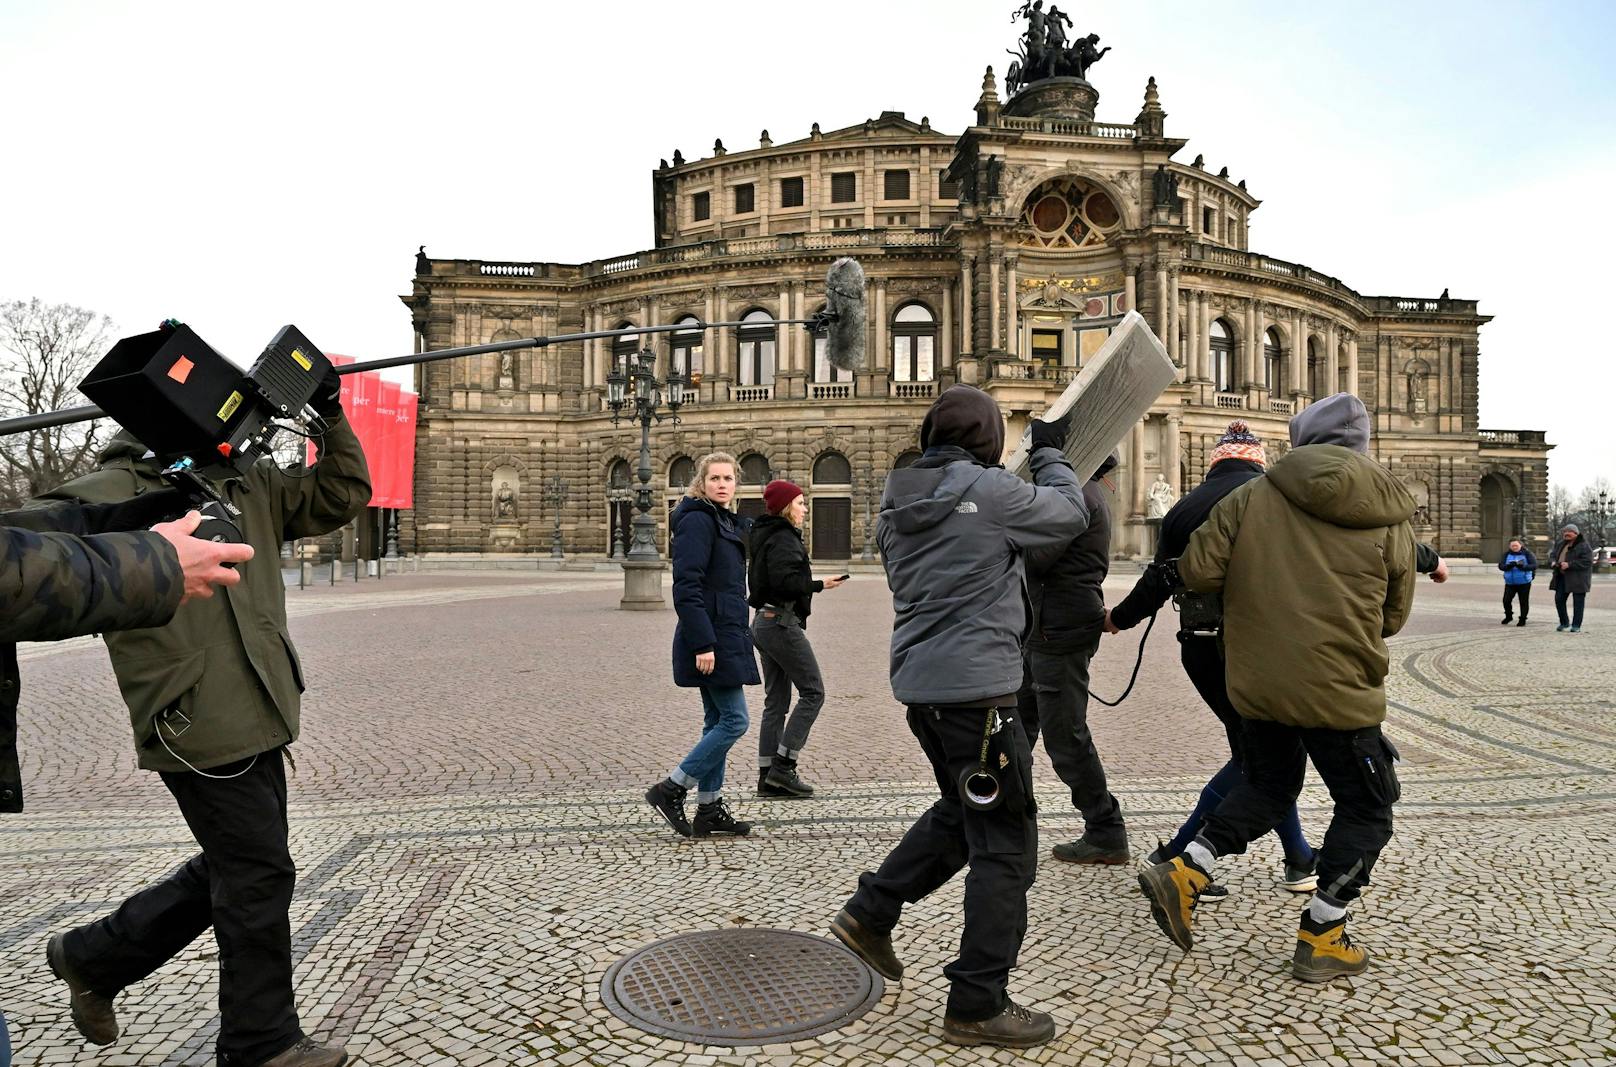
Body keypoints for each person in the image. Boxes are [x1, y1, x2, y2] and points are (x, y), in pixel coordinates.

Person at [38, 365, 368, 1067]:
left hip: (260, 702)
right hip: (192, 716)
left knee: (243, 862)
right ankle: (260, 1043)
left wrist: (330, 416)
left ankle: (94, 956)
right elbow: (34, 558)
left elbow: (342, 493)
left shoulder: (244, 483)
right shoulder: (115, 492)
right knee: (257, 871)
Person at [828, 385, 1086, 1048]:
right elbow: (1067, 516)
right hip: (981, 694)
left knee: (959, 808)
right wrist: (1054, 458)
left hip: (925, 690)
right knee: (1005, 843)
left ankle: (871, 911)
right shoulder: (994, 494)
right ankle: (977, 999)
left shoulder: (897, 498)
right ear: (989, 438)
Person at [1137, 393, 1416, 983]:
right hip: (1340, 683)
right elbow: (1393, 616)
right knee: (1368, 805)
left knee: (1268, 781)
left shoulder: (1250, 495)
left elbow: (1197, 571)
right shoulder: (1392, 511)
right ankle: (1323, 933)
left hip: (1260, 679)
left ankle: (1187, 870)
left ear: (1300, 438)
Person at [1107, 421, 1317, 898]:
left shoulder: (1184, 507)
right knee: (1261, 759)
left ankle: (1299, 857)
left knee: (1260, 756)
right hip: (1250, 646)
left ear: (1215, 463)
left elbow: (1160, 577)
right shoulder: (1269, 498)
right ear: (1258, 462)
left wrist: (1119, 617)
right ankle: (1179, 857)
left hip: (1198, 646)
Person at [1019, 451, 1128, 864]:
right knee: (1019, 724)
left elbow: (1036, 556)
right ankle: (1009, 812)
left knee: (1065, 735)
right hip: (1047, 626)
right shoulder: (1084, 491)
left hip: (1057, 629)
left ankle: (1106, 830)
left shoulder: (1077, 495)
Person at [646, 452, 759, 838]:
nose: (723, 484)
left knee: (716, 721)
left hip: (725, 630)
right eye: (715, 478)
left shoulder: (721, 518)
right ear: (702, 482)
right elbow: (687, 586)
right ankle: (672, 788)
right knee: (735, 721)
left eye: (729, 478)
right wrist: (703, 643)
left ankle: (709, 808)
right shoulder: (698, 521)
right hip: (712, 636)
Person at [747, 478, 846, 799]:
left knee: (775, 703)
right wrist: (817, 584)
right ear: (788, 507)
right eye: (801, 503)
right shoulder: (784, 538)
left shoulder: (764, 535)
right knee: (813, 692)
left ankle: (767, 777)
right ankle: (783, 767)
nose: (805, 509)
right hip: (780, 623)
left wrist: (815, 583)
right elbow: (785, 581)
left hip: (763, 621)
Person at [1549, 524, 1593, 632]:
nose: (1566, 533)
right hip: (1561, 577)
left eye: (1569, 531)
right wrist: (1553, 562)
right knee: (1559, 599)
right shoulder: (1560, 544)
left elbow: (1587, 562)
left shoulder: (1584, 545)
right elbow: (1553, 555)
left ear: (1576, 533)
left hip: (1578, 579)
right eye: (1565, 531)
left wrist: (1570, 564)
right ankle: (1564, 622)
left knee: (1578, 603)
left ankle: (1576, 625)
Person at [1498, 537, 1536, 626]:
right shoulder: (1506, 554)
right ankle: (1508, 616)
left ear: (1520, 545)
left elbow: (1534, 565)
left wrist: (1522, 567)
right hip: (1510, 583)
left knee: (1523, 601)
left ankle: (1522, 619)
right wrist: (1508, 566)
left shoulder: (1527, 554)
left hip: (1524, 582)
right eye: (1512, 546)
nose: (1514, 547)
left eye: (1516, 545)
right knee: (1506, 600)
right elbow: (1500, 566)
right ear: (1509, 546)